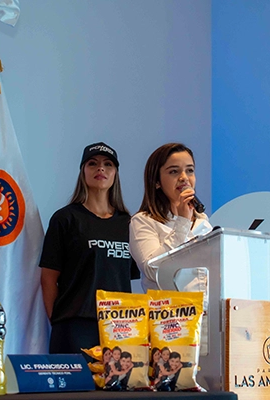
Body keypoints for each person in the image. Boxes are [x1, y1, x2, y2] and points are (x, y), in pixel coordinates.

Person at [40, 142, 139, 355]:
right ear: (83, 171)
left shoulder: (129, 224)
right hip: (75, 325)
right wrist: (57, 321)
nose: (100, 168)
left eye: (108, 164)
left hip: (120, 326)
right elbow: (48, 278)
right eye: (92, 163)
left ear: (115, 173)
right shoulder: (65, 219)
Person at [129, 143, 212, 292]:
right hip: (169, 306)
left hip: (207, 307)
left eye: (190, 170)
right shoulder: (143, 221)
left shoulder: (202, 221)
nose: (184, 178)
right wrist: (183, 222)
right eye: (174, 171)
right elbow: (153, 271)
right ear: (157, 182)